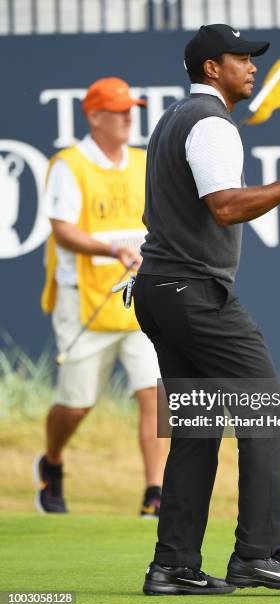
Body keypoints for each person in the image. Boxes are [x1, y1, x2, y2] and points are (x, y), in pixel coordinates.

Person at [134, 24, 280, 595]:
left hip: (162, 290)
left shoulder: (174, 119)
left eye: (252, 58)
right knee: (264, 411)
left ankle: (172, 566)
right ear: (210, 68)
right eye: (240, 58)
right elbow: (222, 207)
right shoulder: (211, 123)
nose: (251, 66)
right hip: (194, 294)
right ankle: (257, 555)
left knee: (197, 432)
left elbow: (169, 215)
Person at [35, 77, 166, 518]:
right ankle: (51, 463)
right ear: (93, 116)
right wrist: (113, 249)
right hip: (84, 300)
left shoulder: (143, 161)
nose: (130, 117)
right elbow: (63, 231)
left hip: (138, 297)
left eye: (132, 109)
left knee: (154, 393)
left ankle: (155, 494)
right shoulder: (69, 165)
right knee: (76, 406)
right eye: (119, 110)